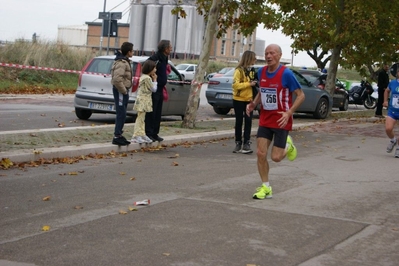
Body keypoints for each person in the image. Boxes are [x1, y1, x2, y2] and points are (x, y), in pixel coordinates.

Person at [246, 44, 305, 199]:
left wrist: (289, 112)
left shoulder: (287, 74)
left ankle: (288, 145)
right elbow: (262, 90)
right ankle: (266, 187)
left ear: (279, 55)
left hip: (281, 120)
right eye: (266, 53)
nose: (268, 56)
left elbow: (301, 95)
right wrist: (254, 103)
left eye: (272, 53)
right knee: (260, 153)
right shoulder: (262, 72)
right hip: (265, 119)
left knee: (276, 158)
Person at [145, 40, 173, 142]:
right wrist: (153, 78)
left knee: (158, 112)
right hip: (154, 88)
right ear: (165, 49)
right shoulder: (155, 58)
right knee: (152, 112)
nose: (171, 49)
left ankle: (155, 133)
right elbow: (146, 67)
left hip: (161, 88)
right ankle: (149, 133)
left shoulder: (165, 58)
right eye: (170, 47)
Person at [232, 50, 258, 154]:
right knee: (239, 121)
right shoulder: (238, 70)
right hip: (238, 99)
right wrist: (249, 84)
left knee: (248, 121)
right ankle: (238, 142)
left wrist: (255, 83)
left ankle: (247, 143)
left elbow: (255, 82)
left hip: (249, 100)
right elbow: (235, 85)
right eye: (254, 58)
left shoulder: (252, 70)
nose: (255, 60)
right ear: (249, 58)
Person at [111, 42, 134, 146]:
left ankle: (119, 134)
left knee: (123, 113)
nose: (133, 52)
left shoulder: (125, 61)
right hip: (120, 91)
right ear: (129, 52)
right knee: (121, 113)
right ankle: (117, 136)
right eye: (132, 50)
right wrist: (124, 91)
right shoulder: (121, 63)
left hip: (123, 91)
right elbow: (117, 79)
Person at [130, 60, 158, 144]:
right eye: (154, 68)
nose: (155, 69)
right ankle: (136, 135)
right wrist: (155, 80)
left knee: (142, 118)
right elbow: (154, 89)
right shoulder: (147, 78)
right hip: (143, 100)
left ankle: (142, 133)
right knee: (140, 118)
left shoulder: (143, 77)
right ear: (151, 69)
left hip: (143, 100)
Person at [383, 69, 399, 158]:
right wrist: (385, 101)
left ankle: (398, 149)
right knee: (388, 129)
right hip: (392, 110)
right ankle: (393, 140)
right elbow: (386, 91)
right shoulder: (393, 83)